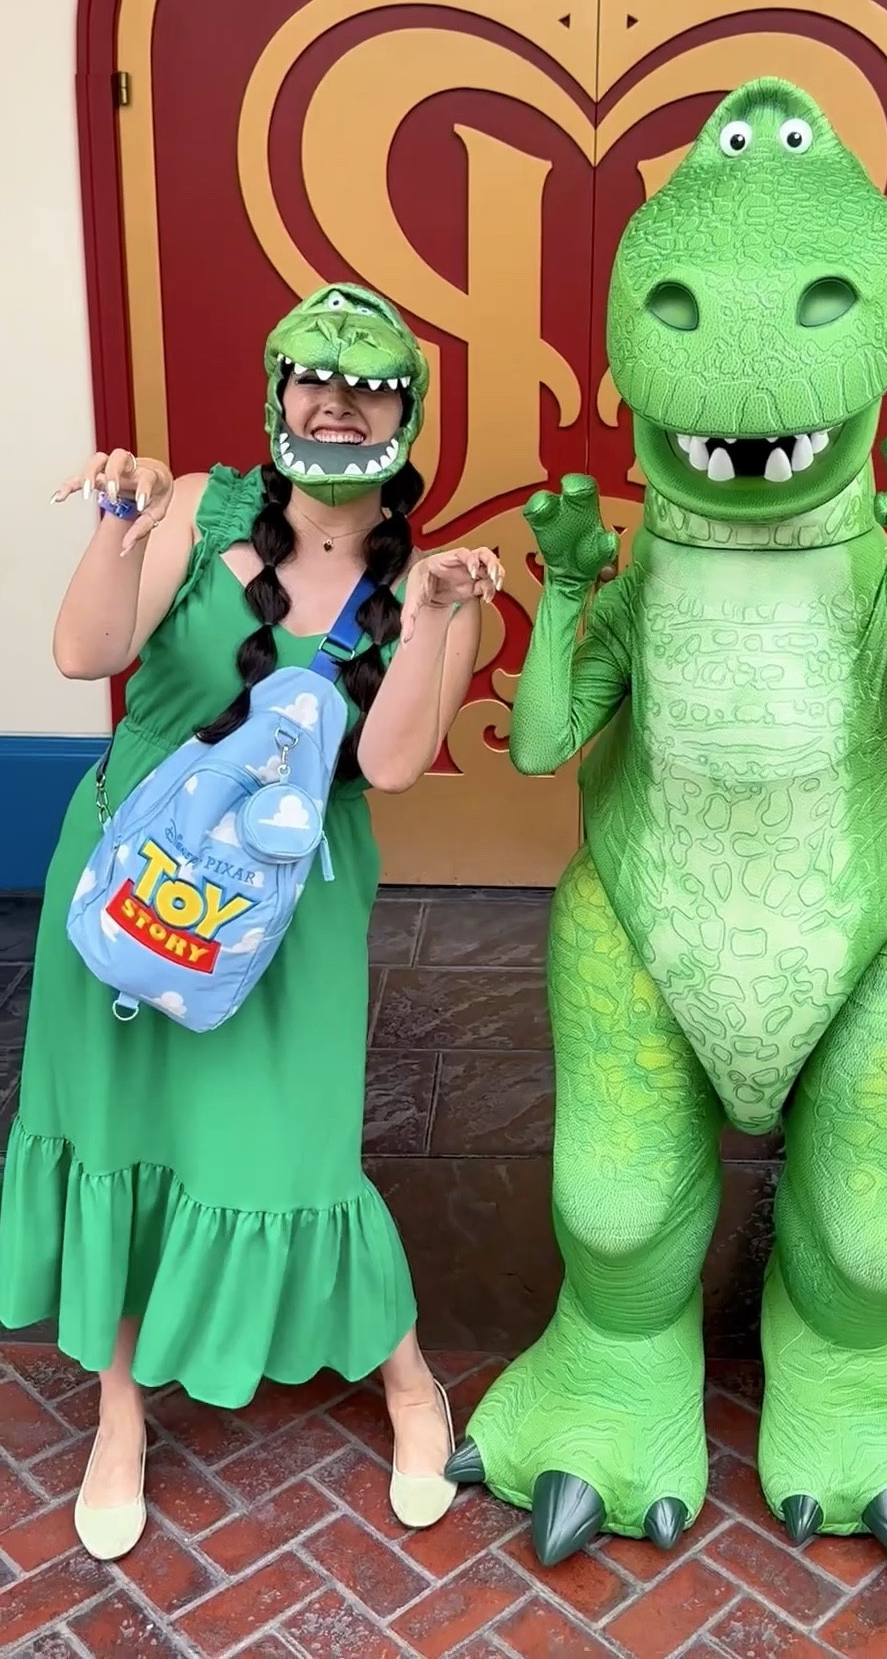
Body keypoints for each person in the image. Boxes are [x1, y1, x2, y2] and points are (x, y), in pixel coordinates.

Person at [0, 284, 502, 1560]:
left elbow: (386, 769)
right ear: (278, 389)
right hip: (133, 878)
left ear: (406, 410)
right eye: (312, 377)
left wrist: (440, 616)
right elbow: (80, 651)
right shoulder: (195, 507)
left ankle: (406, 1385)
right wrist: (120, 523)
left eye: (369, 383)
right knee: (121, 1131)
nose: (335, 401)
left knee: (298, 1148)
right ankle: (119, 1413)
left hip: (296, 907)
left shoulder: (436, 583)